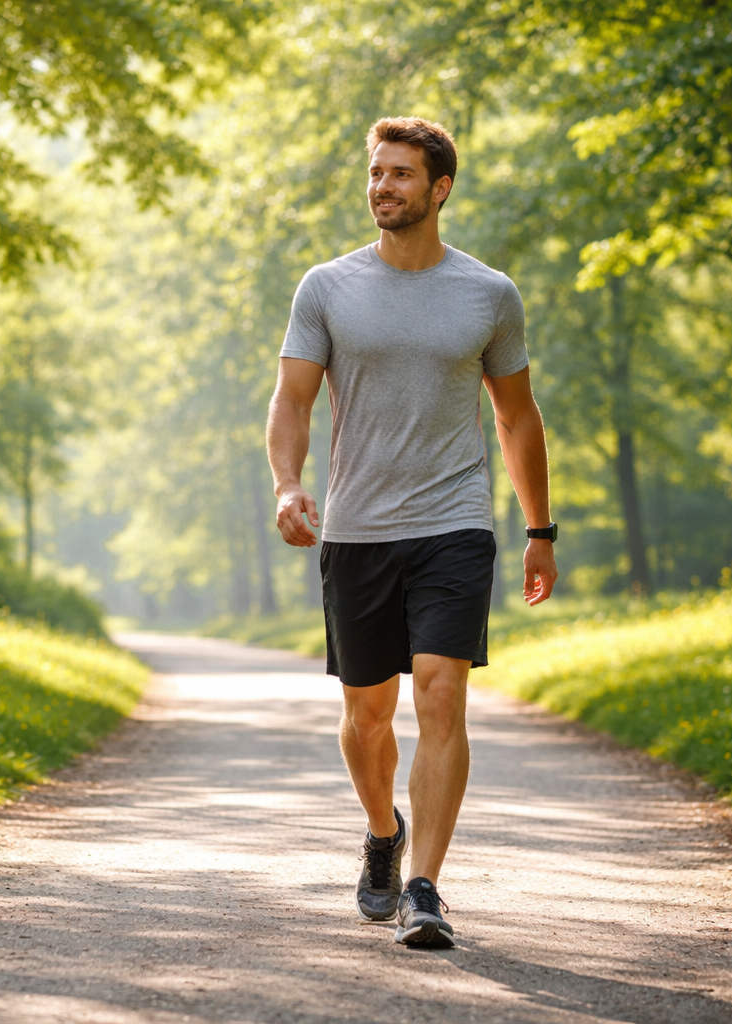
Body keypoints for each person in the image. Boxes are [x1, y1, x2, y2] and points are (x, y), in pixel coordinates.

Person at [265, 117, 558, 949]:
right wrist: (288, 484)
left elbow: (516, 417)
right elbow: (292, 400)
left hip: (453, 522)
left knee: (440, 691)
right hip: (357, 527)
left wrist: (540, 528)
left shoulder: (489, 294)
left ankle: (425, 887)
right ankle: (383, 833)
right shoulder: (327, 287)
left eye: (400, 174)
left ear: (440, 188)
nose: (383, 187)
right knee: (367, 716)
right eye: (377, 173)